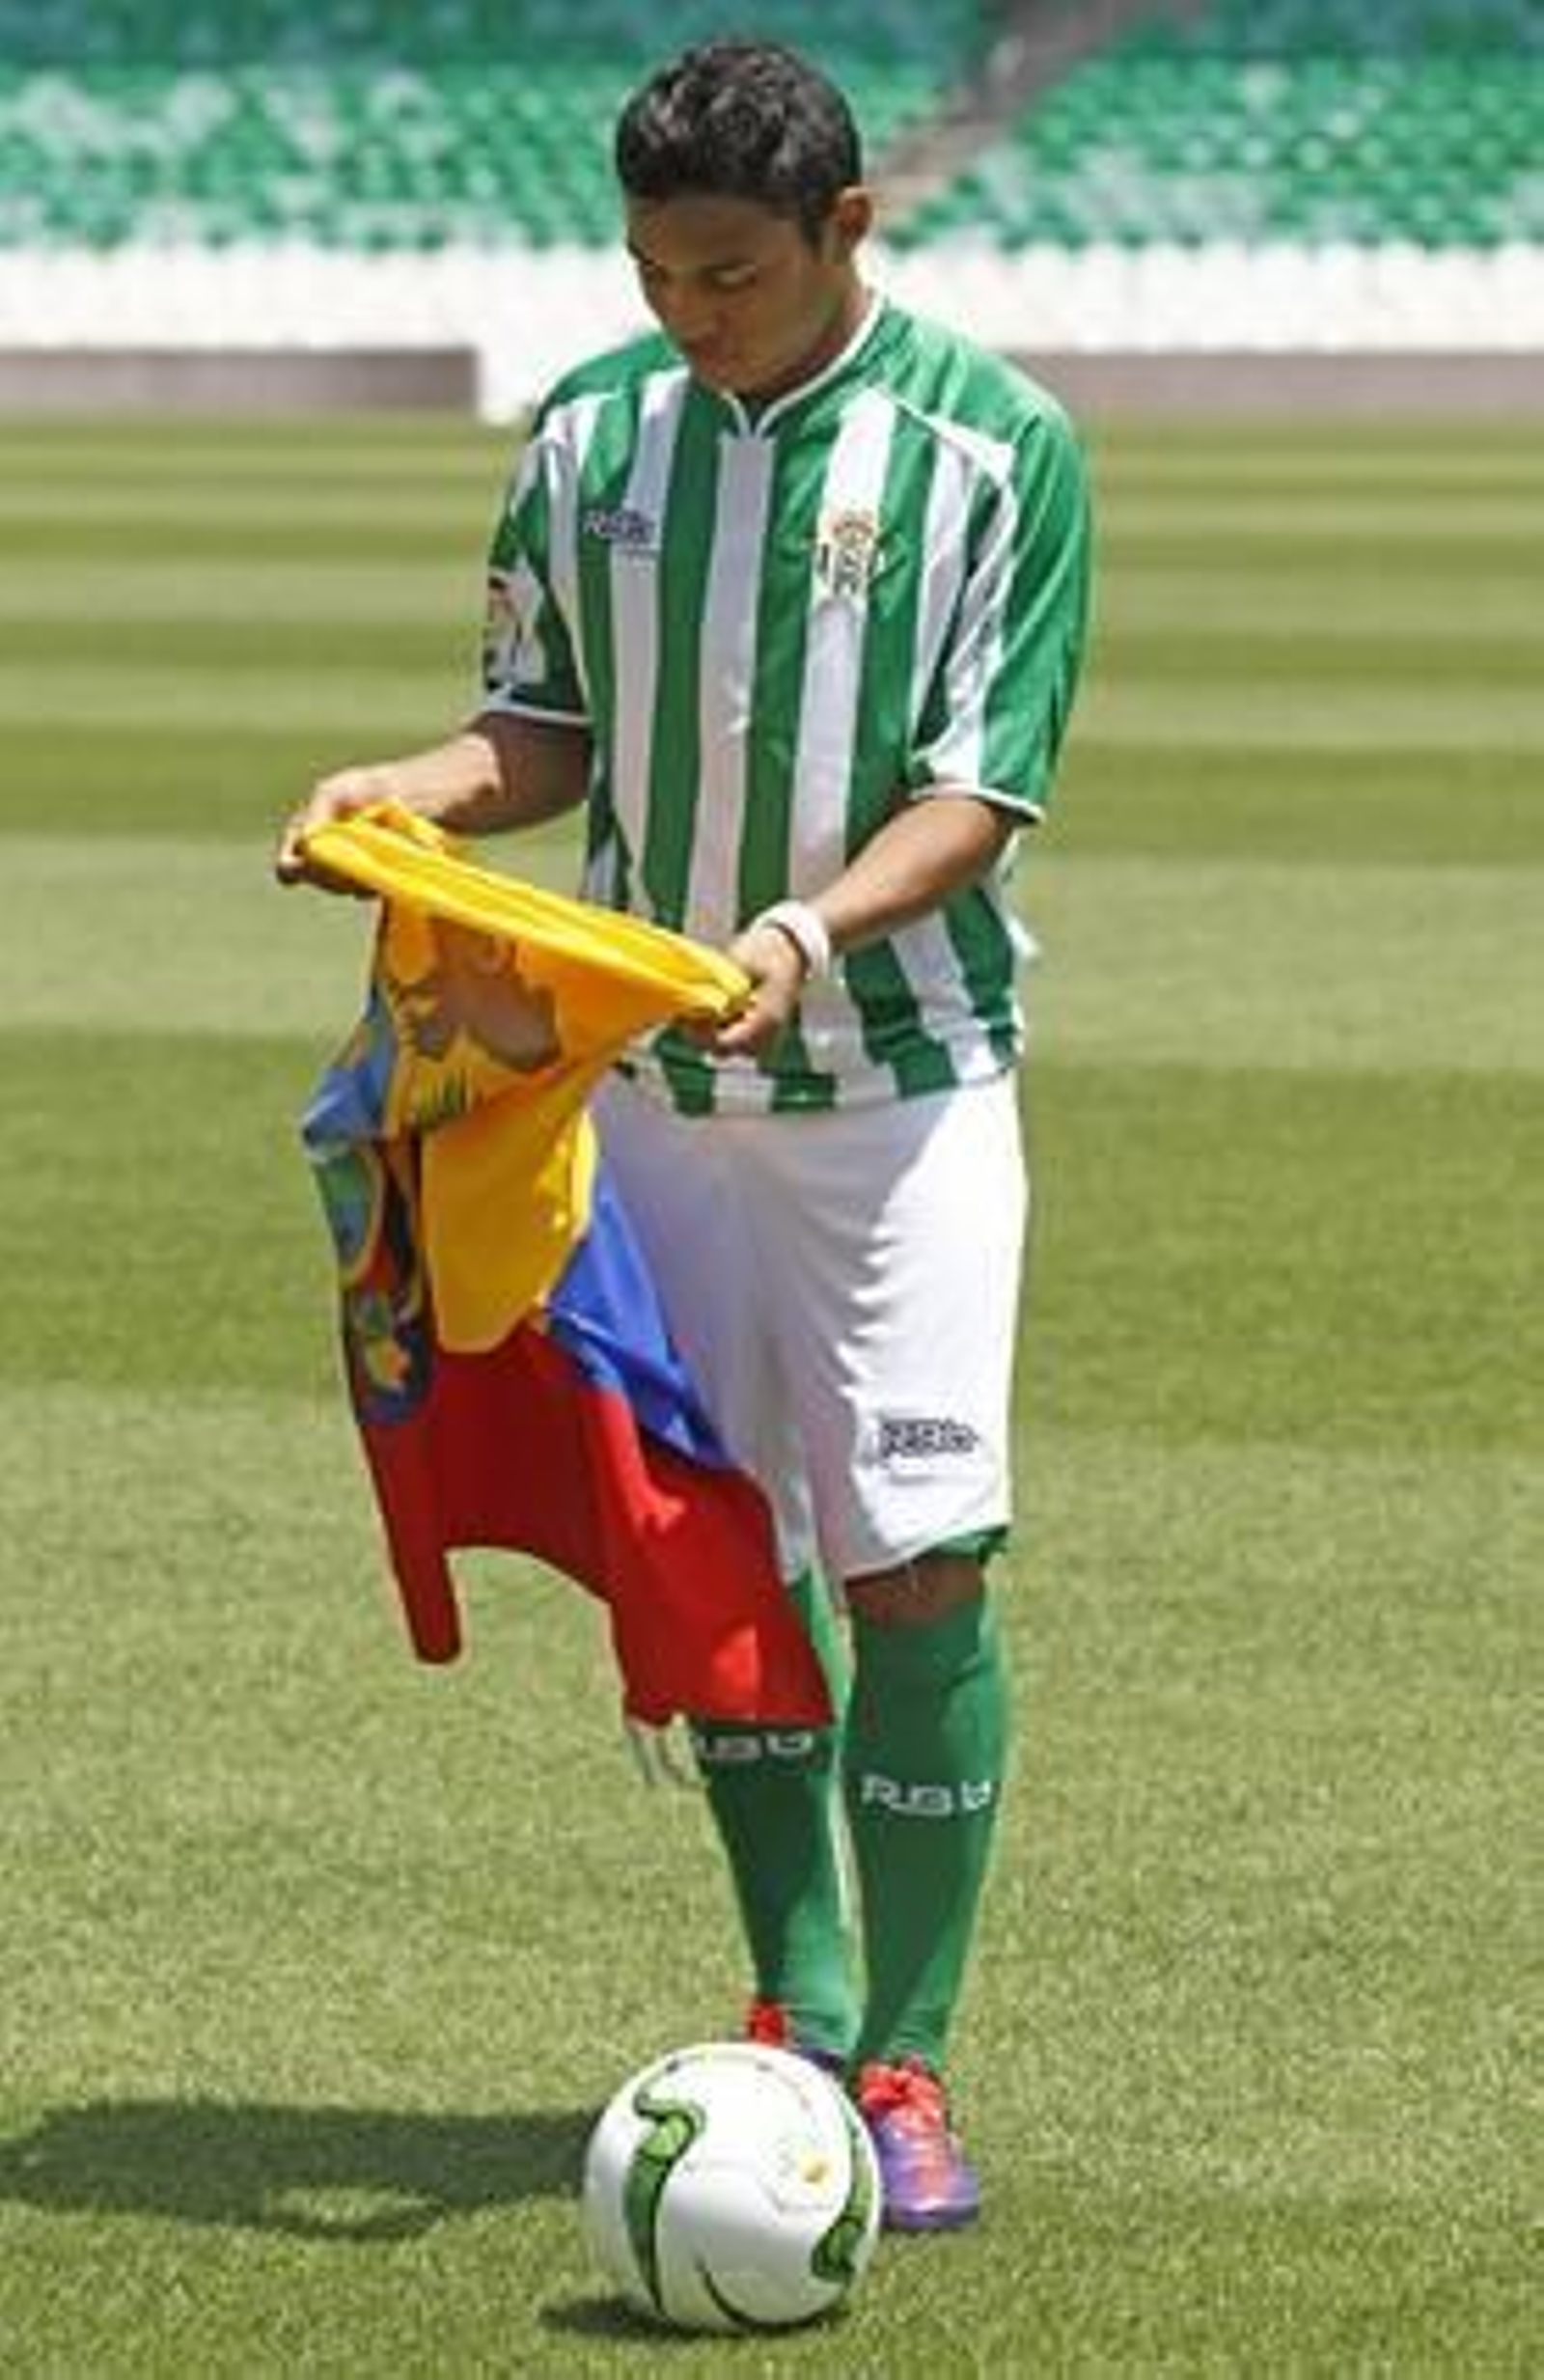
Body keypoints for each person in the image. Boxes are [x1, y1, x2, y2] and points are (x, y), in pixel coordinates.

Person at [277, 37, 1091, 2231]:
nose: (686, 313)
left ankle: (909, 2066)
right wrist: (410, 794)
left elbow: (976, 793)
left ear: (845, 229)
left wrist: (809, 929)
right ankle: (795, 2008)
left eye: (726, 271)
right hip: (646, 1088)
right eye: (652, 273)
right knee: (705, 1550)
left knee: (917, 1560)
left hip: (896, 1096)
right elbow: (538, 728)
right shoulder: (588, 438)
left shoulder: (990, 451)